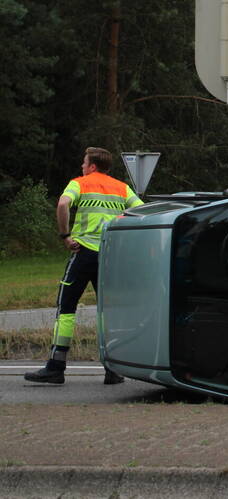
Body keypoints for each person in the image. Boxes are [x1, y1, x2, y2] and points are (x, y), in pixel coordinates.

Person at [24, 147, 143, 385]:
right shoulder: (122, 188)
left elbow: (62, 205)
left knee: (66, 308)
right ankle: (113, 370)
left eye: (84, 162)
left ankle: (56, 367)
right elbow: (141, 212)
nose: (81, 166)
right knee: (107, 313)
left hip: (83, 253)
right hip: (110, 257)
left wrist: (65, 236)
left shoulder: (80, 183)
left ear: (92, 166)